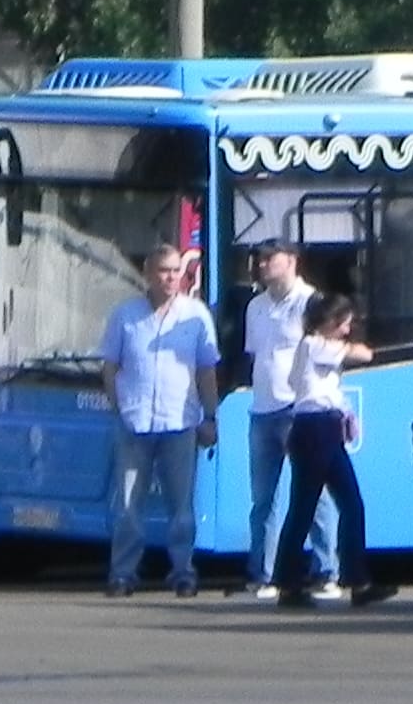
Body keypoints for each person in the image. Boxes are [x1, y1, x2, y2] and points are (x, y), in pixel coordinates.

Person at [96, 244, 218, 599]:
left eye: (176, 271)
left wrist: (210, 417)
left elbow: (207, 370)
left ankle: (183, 571)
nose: (171, 278)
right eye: (164, 271)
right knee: (128, 507)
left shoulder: (196, 316)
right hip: (134, 424)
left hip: (180, 422)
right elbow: (109, 367)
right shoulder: (125, 315)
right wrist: (119, 407)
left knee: (181, 508)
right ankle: (123, 573)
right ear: (148, 275)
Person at [270, 292, 391, 607]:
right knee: (320, 505)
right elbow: (363, 355)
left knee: (331, 505)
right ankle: (302, 583)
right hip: (317, 428)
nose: (348, 330)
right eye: (345, 323)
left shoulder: (307, 348)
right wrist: (354, 345)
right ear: (329, 322)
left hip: (317, 427)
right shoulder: (315, 345)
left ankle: (343, 580)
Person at [241, 243, 333, 602]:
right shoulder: (256, 306)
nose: (262, 265)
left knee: (313, 494)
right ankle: (264, 575)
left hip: (300, 412)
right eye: (260, 260)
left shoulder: (311, 302)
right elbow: (256, 357)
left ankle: (326, 571)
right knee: (263, 499)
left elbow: (327, 352)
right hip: (262, 411)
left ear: (292, 262)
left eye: (270, 259)